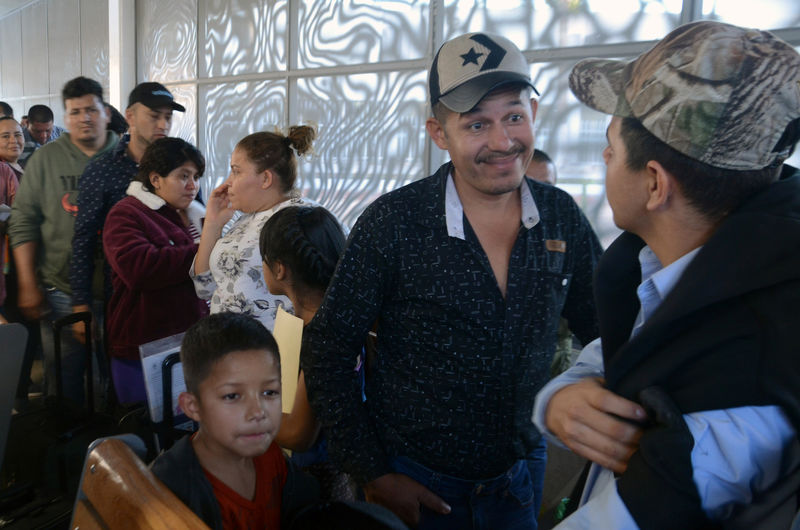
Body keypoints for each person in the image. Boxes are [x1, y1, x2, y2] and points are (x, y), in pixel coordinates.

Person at [303, 32, 602, 529]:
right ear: (439, 134)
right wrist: (372, 471)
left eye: (513, 115)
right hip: (416, 482)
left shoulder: (560, 216)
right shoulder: (394, 222)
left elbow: (605, 327)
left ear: (533, 113)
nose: (503, 142)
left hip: (521, 473)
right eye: (477, 124)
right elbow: (328, 349)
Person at [533, 21, 800, 529]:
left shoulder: (752, 380)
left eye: (611, 145)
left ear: (655, 184)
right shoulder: (667, 267)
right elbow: (606, 361)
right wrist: (558, 399)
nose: (606, 157)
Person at [150, 311, 320, 529]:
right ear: (193, 407)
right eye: (232, 396)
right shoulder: (173, 491)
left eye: (269, 392)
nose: (258, 412)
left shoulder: (271, 456)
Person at [8, 76, 116, 405]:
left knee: (117, 383)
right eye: (75, 111)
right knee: (63, 383)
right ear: (66, 117)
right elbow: (24, 222)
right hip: (62, 291)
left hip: (120, 295)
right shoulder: (45, 159)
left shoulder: (125, 156)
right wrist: (27, 282)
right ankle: (65, 450)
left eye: (91, 109)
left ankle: (115, 449)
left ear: (106, 113)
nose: (84, 117)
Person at [70, 82, 186, 343]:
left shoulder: (182, 166)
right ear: (130, 116)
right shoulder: (102, 170)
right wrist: (80, 303)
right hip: (127, 301)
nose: (163, 125)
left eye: (168, 117)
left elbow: (195, 223)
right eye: (154, 116)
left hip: (180, 297)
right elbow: (83, 240)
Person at [102, 137, 207, 404]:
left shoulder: (195, 213)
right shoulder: (126, 213)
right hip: (144, 344)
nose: (192, 185)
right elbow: (139, 268)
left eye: (196, 176)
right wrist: (205, 252)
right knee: (149, 426)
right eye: (183, 176)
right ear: (156, 179)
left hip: (191, 340)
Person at [259, 205, 352, 500]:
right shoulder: (346, 318)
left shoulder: (319, 337)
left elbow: (298, 434)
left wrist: (234, 418)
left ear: (279, 269)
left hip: (320, 485)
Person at [192, 126, 318, 331]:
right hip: (229, 346)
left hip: (276, 351)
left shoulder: (305, 218)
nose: (228, 183)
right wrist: (213, 223)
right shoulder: (244, 220)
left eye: (236, 171)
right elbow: (204, 287)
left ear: (266, 179)